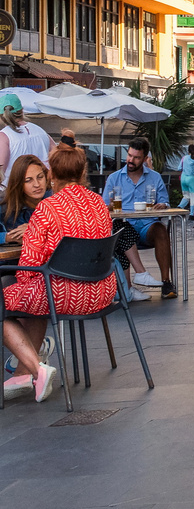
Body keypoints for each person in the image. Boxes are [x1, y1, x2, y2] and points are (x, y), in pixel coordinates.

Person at [2, 145, 116, 403]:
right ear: (83, 171)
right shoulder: (99, 203)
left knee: (19, 295)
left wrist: (24, 287)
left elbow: (30, 264)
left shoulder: (48, 208)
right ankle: (22, 374)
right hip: (102, 292)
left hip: (63, 296)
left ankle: (37, 369)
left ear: (51, 173)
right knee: (36, 295)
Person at [0, 154, 56, 384]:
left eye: (40, 177)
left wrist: (34, 229)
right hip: (12, 269)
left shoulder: (54, 205)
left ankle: (26, 369)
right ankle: (33, 356)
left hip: (48, 275)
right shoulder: (6, 208)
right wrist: (8, 236)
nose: (37, 184)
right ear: (18, 184)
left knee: (32, 289)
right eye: (29, 180)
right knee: (10, 286)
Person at [101, 137, 176, 299]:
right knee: (120, 227)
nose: (131, 160)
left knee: (161, 229)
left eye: (136, 157)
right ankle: (135, 279)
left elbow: (164, 201)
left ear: (145, 158)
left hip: (146, 227)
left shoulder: (154, 177)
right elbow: (104, 206)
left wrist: (162, 205)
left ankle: (166, 282)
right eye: (129, 155)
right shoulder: (114, 178)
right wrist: (112, 206)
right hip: (123, 227)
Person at [0, 93, 53, 195]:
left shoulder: (4, 136)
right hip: (41, 191)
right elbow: (56, 158)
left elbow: (1, 171)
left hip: (14, 195)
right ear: (22, 110)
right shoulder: (40, 131)